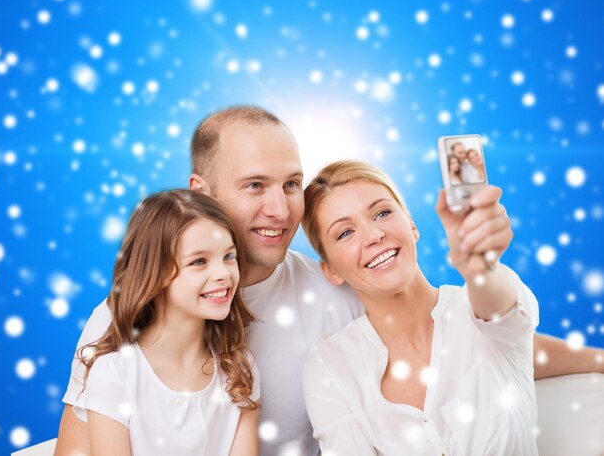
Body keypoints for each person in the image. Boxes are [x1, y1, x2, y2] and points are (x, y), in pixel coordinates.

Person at [56, 105, 604, 456]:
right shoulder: (128, 315)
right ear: (200, 190)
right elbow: (79, 444)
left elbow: (475, 341)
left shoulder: (336, 292)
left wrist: (593, 357)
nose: (278, 208)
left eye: (291, 183)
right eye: (254, 185)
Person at [302, 160, 538, 455]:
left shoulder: (479, 307)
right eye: (345, 233)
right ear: (331, 271)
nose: (374, 235)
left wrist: (478, 267)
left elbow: (501, 310)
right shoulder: (331, 364)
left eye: (382, 213)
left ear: (411, 225)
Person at [72, 190, 260, 455]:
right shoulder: (115, 375)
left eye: (228, 257)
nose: (223, 274)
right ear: (156, 273)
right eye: (199, 261)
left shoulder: (238, 368)